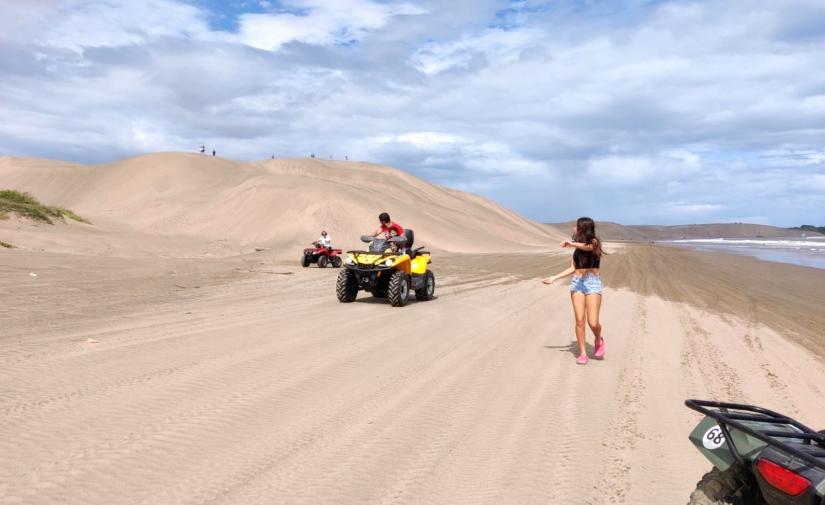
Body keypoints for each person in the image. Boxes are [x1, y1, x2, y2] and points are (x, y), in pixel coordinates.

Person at [543, 217, 605, 365]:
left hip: (592, 283)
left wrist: (571, 244)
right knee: (579, 320)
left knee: (593, 322)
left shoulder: (594, 243)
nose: (574, 228)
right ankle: (583, 354)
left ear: (583, 228)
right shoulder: (577, 249)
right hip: (577, 283)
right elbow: (573, 268)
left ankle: (598, 339)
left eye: (576, 226)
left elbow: (588, 247)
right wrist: (554, 277)